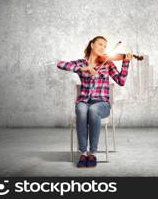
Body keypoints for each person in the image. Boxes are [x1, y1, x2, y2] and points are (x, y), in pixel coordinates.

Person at [57, 36, 133, 168]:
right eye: (100, 44)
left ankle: (92, 152)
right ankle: (83, 152)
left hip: (101, 103)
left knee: (93, 110)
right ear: (92, 45)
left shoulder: (107, 63)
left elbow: (121, 81)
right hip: (84, 100)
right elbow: (61, 64)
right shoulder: (81, 63)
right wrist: (84, 69)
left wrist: (125, 62)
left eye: (105, 46)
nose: (103, 48)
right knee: (81, 109)